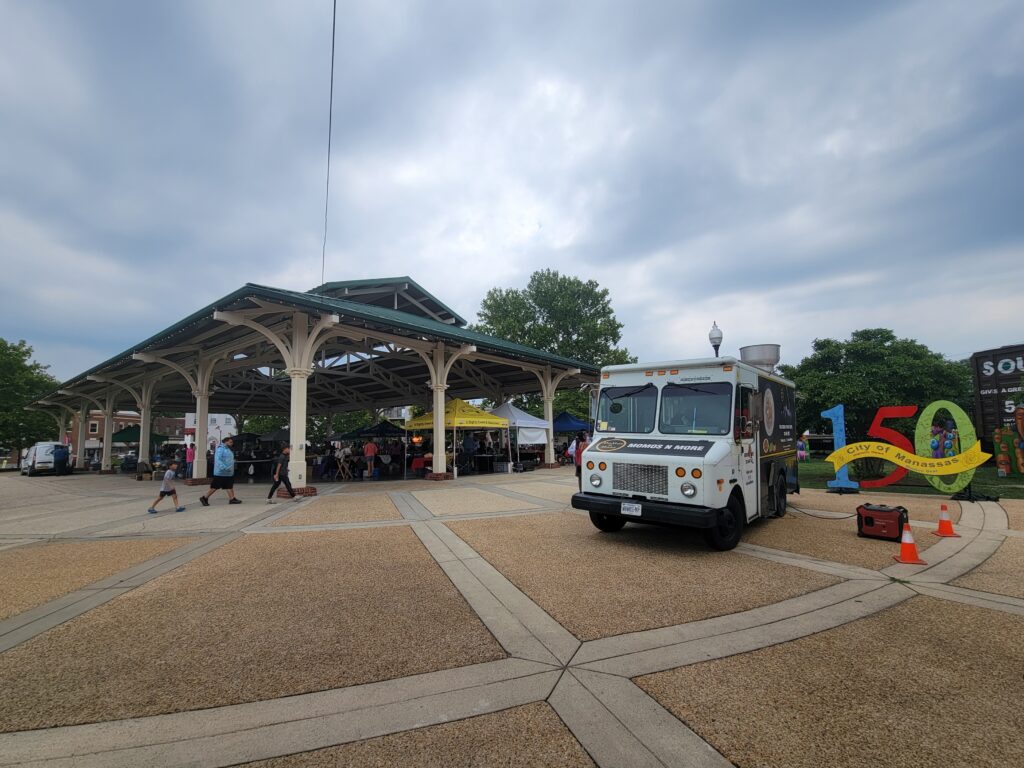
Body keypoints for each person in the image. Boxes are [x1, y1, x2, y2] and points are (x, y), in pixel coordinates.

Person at [199, 436, 241, 506]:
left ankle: (232, 498)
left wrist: (233, 462)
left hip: (228, 472)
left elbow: (228, 459)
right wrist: (224, 467)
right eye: (230, 442)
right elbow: (218, 460)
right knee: (215, 486)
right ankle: (204, 497)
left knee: (229, 485)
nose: (232, 443)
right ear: (226, 442)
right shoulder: (220, 449)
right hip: (221, 472)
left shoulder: (228, 449)